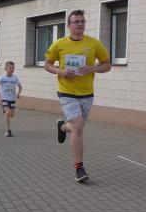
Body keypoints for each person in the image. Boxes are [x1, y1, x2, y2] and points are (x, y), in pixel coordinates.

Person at [44, 10, 111, 183]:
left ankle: (62, 127)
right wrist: (60, 71)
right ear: (69, 25)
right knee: (79, 127)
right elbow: (47, 64)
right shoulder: (59, 44)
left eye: (82, 21)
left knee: (76, 128)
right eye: (76, 21)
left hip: (87, 93)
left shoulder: (94, 43)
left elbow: (107, 65)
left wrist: (93, 68)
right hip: (66, 92)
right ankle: (79, 168)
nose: (80, 24)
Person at [0, 61, 22, 137]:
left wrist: (18, 94)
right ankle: (8, 131)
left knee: (11, 115)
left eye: (13, 68)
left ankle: (5, 110)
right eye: (10, 68)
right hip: (4, 98)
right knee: (7, 113)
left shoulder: (15, 78)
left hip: (12, 99)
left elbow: (20, 87)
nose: (12, 69)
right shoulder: (2, 77)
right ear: (6, 68)